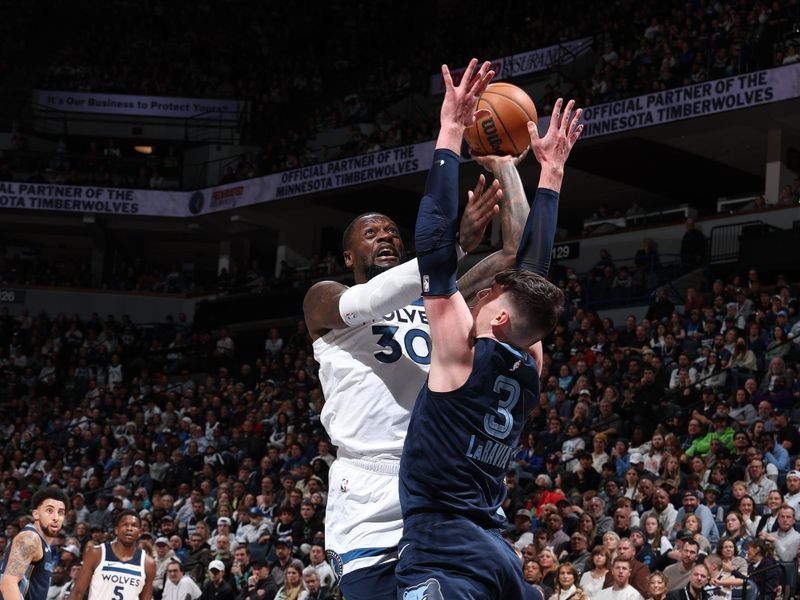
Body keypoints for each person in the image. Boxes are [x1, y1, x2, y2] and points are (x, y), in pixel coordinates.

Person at [302, 62, 536, 600]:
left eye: (390, 229)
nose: (383, 234)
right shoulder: (324, 299)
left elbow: (513, 258)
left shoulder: (437, 298)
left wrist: (505, 166)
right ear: (347, 253)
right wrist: (451, 247)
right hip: (369, 489)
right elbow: (370, 299)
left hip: (438, 479)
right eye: (369, 232)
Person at [395, 58, 582, 599]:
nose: (481, 291)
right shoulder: (531, 363)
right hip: (498, 553)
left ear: (498, 316)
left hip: (443, 548)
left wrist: (449, 131)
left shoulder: (459, 354)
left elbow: (433, 247)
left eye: (489, 294)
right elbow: (532, 275)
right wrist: (550, 173)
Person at [66, 509, 155, 600]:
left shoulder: (148, 563)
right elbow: (77, 592)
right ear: (116, 530)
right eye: (125, 525)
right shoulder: (96, 554)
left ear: (140, 532)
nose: (129, 528)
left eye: (134, 525)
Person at [0, 488, 68, 600]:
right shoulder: (30, 538)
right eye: (49, 511)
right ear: (36, 514)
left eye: (60, 512)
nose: (56, 517)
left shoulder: (43, 544)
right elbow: (8, 584)